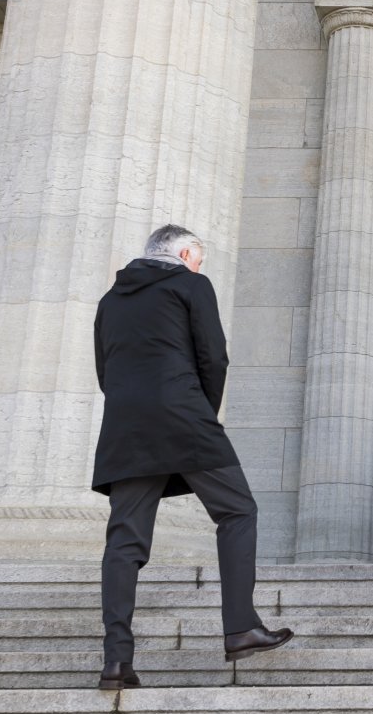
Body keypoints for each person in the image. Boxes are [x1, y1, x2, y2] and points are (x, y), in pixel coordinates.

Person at [92, 225, 292, 690]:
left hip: (125, 427)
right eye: (198, 260)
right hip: (184, 414)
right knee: (237, 511)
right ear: (184, 254)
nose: (200, 268)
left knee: (124, 542)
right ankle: (240, 627)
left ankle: (116, 662)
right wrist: (203, 409)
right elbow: (214, 356)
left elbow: (105, 369)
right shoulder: (191, 285)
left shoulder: (109, 301)